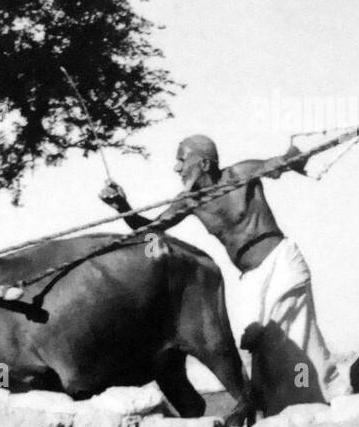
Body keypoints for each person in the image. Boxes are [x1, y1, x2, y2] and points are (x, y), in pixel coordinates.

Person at [99, 135, 344, 411]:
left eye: (181, 160)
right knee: (255, 342)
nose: (176, 168)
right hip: (251, 278)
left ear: (203, 163)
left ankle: (333, 396)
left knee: (297, 335)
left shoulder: (240, 173)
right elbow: (152, 229)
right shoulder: (189, 201)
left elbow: (282, 163)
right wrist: (122, 206)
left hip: (281, 262)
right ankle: (280, 410)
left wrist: (296, 156)